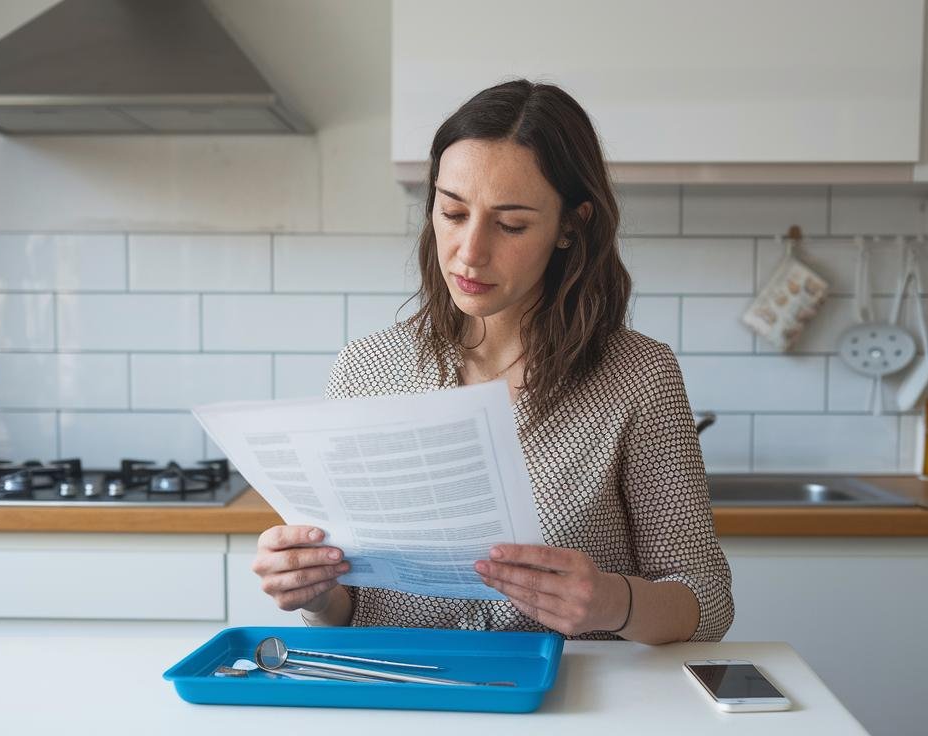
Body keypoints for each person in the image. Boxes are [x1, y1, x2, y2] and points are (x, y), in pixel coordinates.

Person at [251, 79, 733, 644]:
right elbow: (349, 601)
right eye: (453, 213)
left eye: (511, 225)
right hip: (399, 704)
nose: (470, 252)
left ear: (570, 227)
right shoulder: (365, 369)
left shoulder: (639, 377)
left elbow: (708, 600)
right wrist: (315, 592)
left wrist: (614, 604)